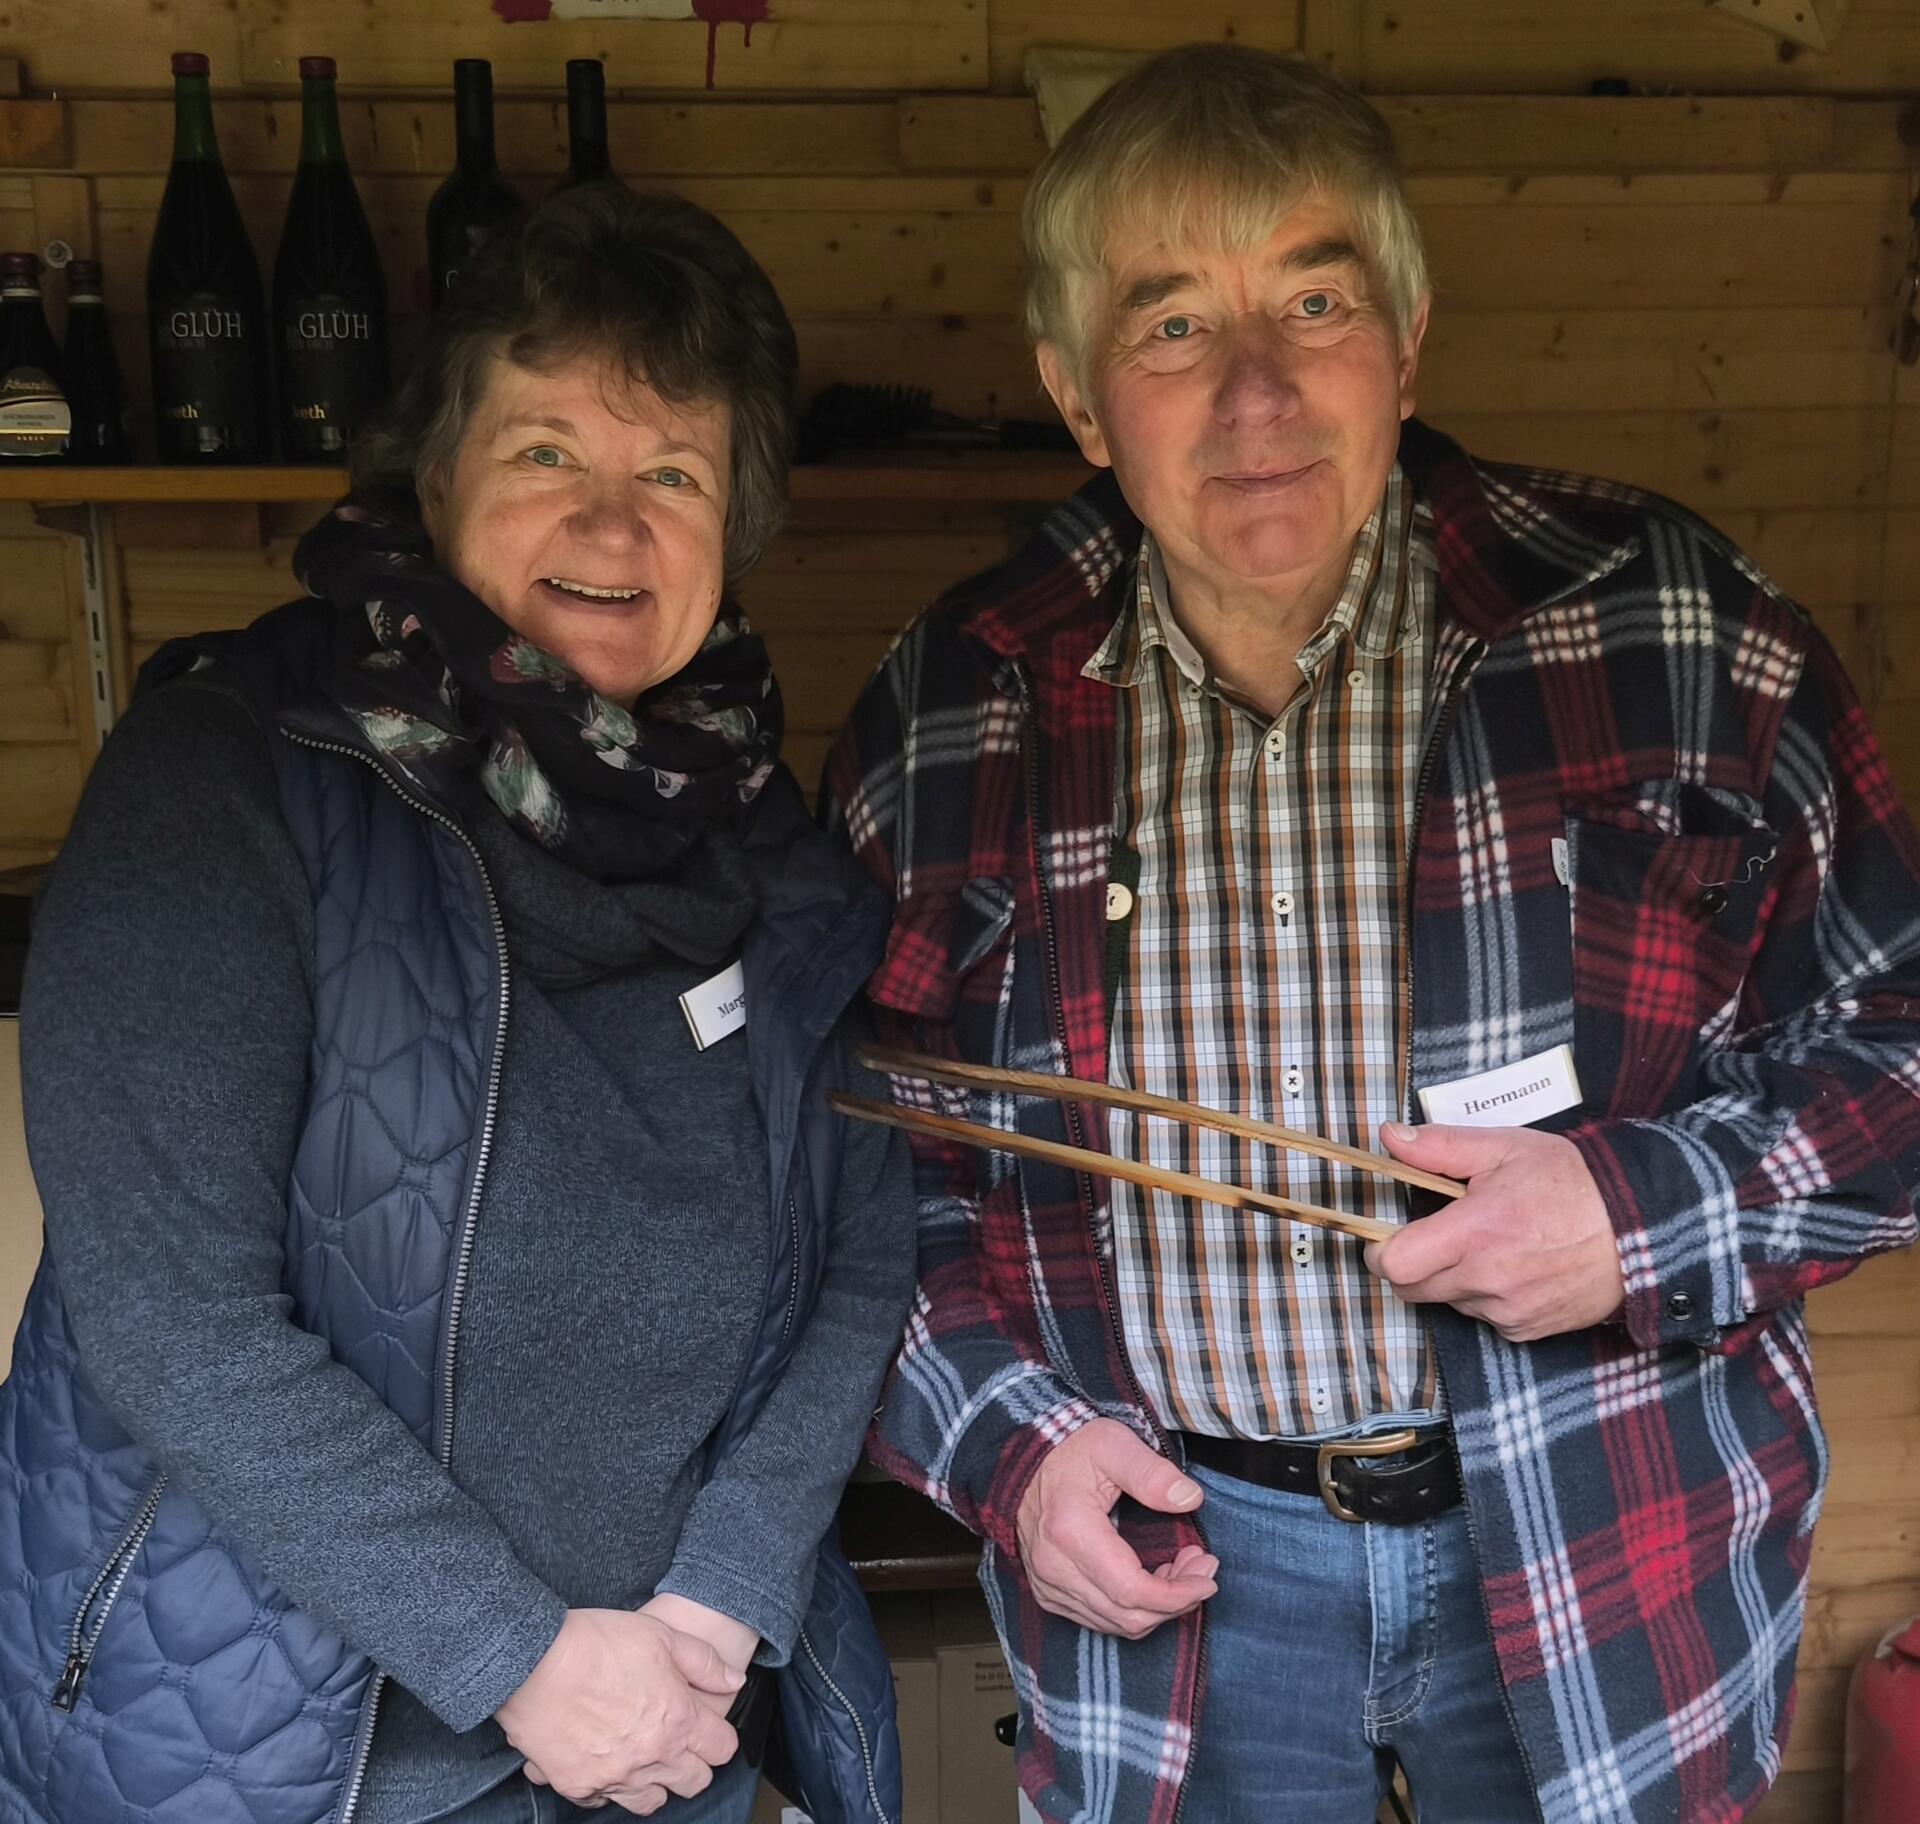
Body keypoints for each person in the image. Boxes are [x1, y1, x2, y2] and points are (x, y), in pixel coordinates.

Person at [824, 43, 1920, 1824]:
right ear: (1079, 397)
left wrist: (1637, 1216)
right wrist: (1012, 1455)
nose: (1255, 392)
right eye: (1173, 324)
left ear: (1407, 342)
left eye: (1315, 302)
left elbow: (1900, 1042)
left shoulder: (1674, 631)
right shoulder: (951, 713)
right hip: (1183, 1573)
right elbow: (864, 1173)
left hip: (1608, 1536)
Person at [0, 187, 915, 1824]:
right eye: (548, 451)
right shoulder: (230, 780)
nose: (613, 527)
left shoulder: (766, 840)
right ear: (434, 477)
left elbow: (858, 1249)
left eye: (675, 474)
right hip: (287, 1768)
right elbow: (171, 1312)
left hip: (669, 1740)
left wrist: (721, 1601)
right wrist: (516, 1658)